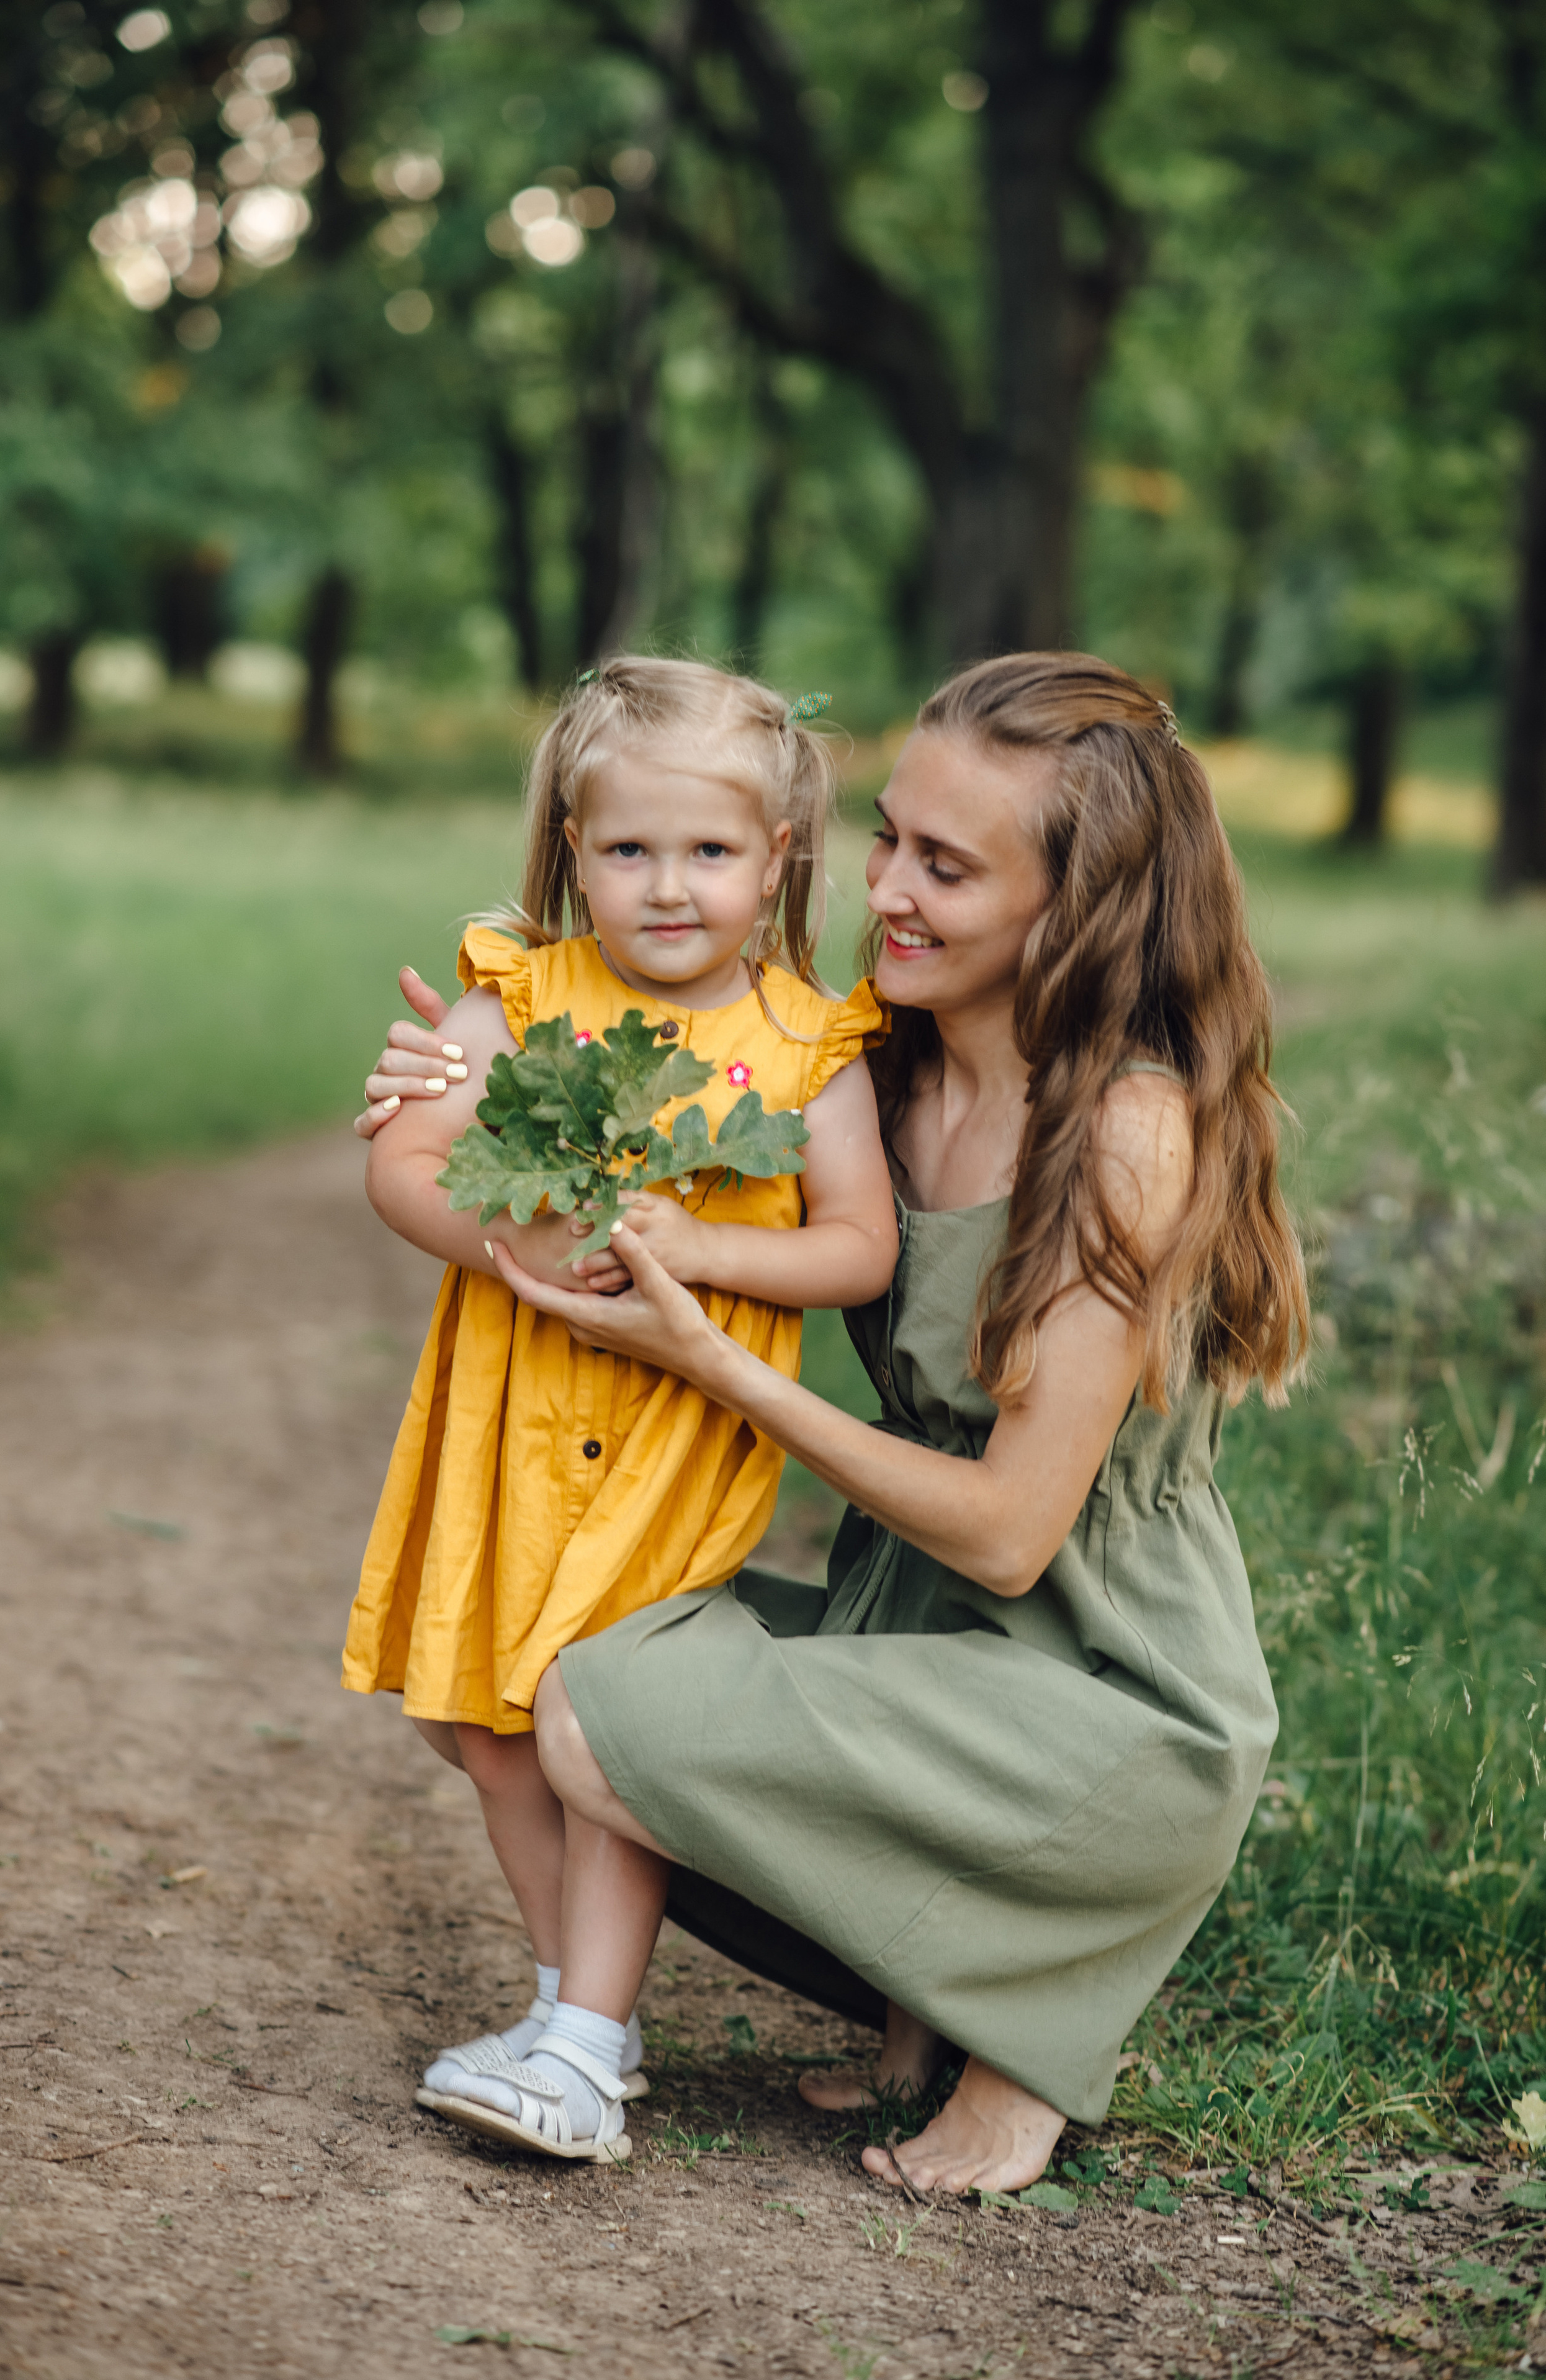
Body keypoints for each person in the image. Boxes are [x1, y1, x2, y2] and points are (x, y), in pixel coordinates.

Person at [363, 651, 1308, 2196]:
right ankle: (919, 2001)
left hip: (1100, 1695)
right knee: (553, 1670)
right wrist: (452, 1081)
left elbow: (1009, 1535)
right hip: (914, 1642)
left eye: (945, 865)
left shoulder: (1126, 1127)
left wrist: (722, 1365)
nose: (887, 892)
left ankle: (1022, 2033)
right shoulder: (886, 1052)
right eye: (886, 838)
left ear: (1073, 908)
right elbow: (649, 1056)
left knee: (606, 1719)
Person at [344, 657, 897, 2163]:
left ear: (777, 858)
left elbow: (859, 1245)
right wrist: (501, 1242)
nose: (668, 888)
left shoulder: (805, 1045)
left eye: (710, 852)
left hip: (669, 1440)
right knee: (486, 1729)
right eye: (627, 850)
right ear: (571, 848)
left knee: (607, 1722)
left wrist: (706, 1244)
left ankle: (584, 2045)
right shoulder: (517, 995)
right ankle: (571, 2005)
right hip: (508, 1415)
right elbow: (405, 1170)